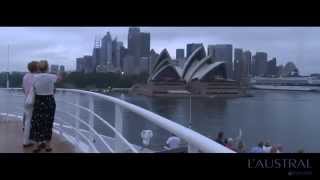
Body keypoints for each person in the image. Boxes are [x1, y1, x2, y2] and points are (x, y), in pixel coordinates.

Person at [29, 60, 60, 153]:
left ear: (39, 68)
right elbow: (59, 79)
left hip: (38, 101)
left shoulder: (34, 77)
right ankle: (48, 146)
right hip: (49, 101)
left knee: (36, 123)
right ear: (47, 67)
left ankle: (36, 146)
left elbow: (34, 88)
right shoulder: (52, 77)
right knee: (48, 123)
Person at [22, 61, 39, 147]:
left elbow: (23, 89)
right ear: (36, 68)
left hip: (27, 100)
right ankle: (37, 140)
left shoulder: (25, 76)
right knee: (37, 120)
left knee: (27, 121)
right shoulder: (37, 77)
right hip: (35, 101)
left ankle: (26, 141)